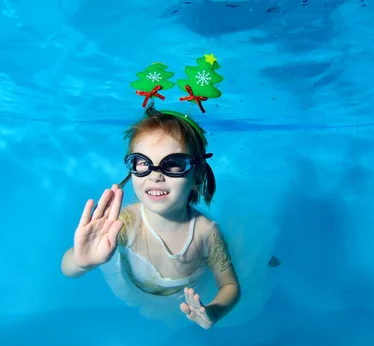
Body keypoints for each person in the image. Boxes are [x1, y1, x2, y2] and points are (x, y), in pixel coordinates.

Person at [60, 104, 240, 329]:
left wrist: (213, 312)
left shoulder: (206, 232)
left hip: (186, 304)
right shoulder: (124, 223)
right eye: (143, 163)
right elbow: (67, 270)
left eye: (173, 164)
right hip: (132, 289)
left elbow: (230, 285)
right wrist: (81, 262)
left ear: (198, 173)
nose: (155, 176)